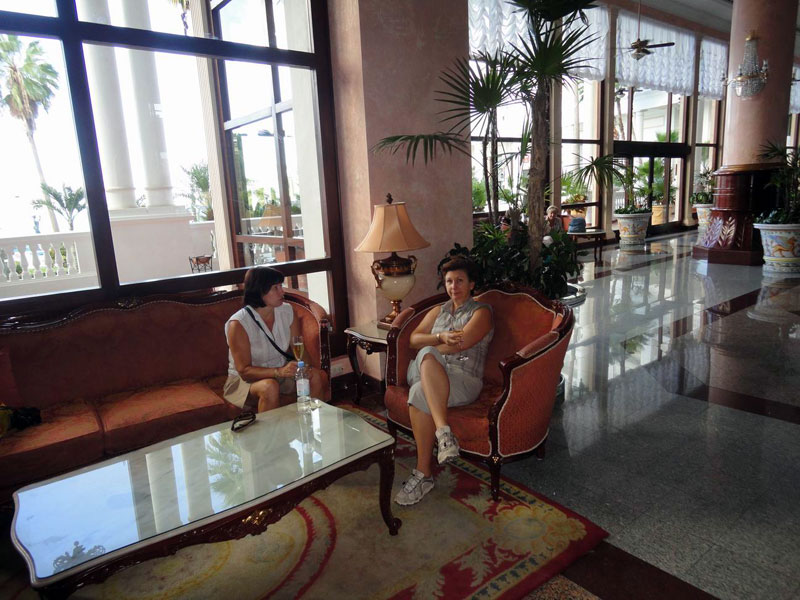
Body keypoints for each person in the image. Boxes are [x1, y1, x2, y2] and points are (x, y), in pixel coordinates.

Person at [394, 257, 494, 506]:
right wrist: (439, 336)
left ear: (472, 284)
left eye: (460, 281)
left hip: (463, 379)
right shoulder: (438, 310)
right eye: (449, 281)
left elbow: (462, 342)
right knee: (425, 364)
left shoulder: (481, 312)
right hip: (432, 374)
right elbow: (413, 339)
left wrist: (430, 350)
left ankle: (426, 469)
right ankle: (440, 444)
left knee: (420, 384)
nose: (453, 286)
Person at [224, 266, 325, 412]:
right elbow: (244, 371)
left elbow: (299, 347)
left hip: (279, 373)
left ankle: (312, 422)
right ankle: (270, 429)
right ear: (259, 291)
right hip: (242, 382)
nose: (282, 292)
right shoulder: (239, 323)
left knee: (315, 376)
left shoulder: (287, 311)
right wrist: (278, 371)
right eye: (275, 288)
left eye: (281, 286)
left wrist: (306, 368)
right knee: (269, 387)